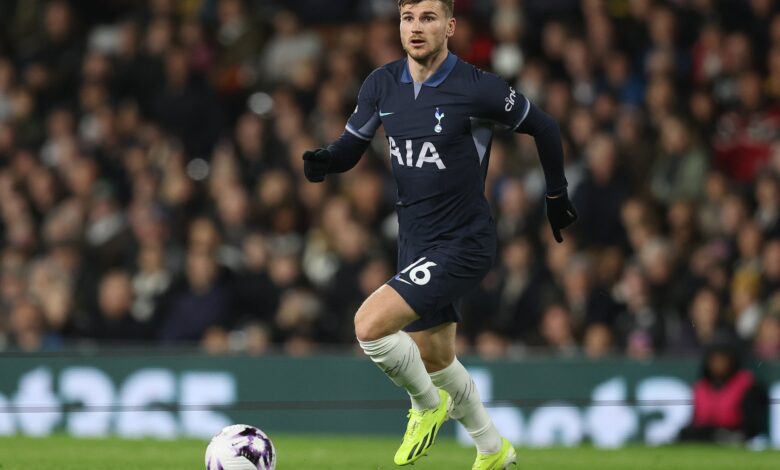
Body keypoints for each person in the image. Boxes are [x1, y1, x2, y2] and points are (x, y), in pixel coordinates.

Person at [302, 1, 576, 468]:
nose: (415, 27)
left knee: (369, 327)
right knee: (435, 358)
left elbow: (545, 127)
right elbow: (353, 144)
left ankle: (427, 405)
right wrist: (328, 158)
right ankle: (493, 450)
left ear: (449, 26)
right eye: (407, 18)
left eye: (427, 18)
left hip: (463, 241)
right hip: (415, 241)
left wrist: (556, 195)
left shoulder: (477, 87)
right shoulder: (381, 84)